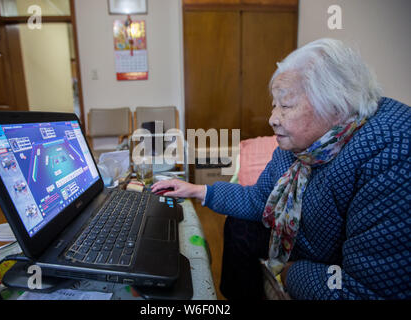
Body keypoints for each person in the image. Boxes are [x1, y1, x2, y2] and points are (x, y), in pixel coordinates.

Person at [151, 38, 410, 300]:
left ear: (336, 106)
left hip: (332, 267)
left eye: (285, 106)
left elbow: (364, 292)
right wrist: (198, 190)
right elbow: (259, 199)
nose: (273, 119)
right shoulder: (299, 147)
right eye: (275, 105)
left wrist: (291, 273)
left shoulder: (391, 151)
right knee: (239, 226)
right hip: (306, 241)